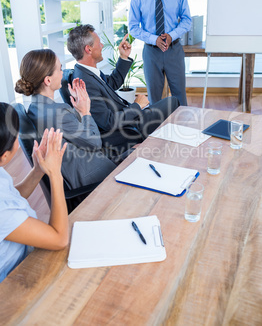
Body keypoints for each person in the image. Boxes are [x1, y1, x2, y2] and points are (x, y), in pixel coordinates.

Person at [15, 49, 116, 202]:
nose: (62, 73)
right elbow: (95, 142)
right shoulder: (59, 111)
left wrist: (76, 111)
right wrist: (85, 111)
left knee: (133, 151)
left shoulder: (35, 109)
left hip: (80, 169)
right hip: (93, 177)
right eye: (60, 69)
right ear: (48, 81)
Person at [67, 24, 179, 152]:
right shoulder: (85, 82)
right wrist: (137, 106)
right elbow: (108, 122)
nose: (102, 45)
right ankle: (170, 148)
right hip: (126, 128)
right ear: (89, 49)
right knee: (172, 102)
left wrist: (123, 57)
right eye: (99, 43)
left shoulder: (86, 72)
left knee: (170, 104)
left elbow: (112, 83)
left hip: (128, 119)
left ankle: (163, 144)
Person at [0, 102, 68, 282]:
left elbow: (11, 199)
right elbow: (59, 239)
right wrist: (55, 174)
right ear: (5, 156)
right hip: (11, 283)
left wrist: (38, 170)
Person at [129, 0, 192, 106]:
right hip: (151, 52)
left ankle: (181, 127)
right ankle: (157, 128)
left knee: (179, 96)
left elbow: (186, 20)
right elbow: (132, 27)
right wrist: (153, 39)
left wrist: (171, 35)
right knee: (154, 97)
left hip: (174, 50)